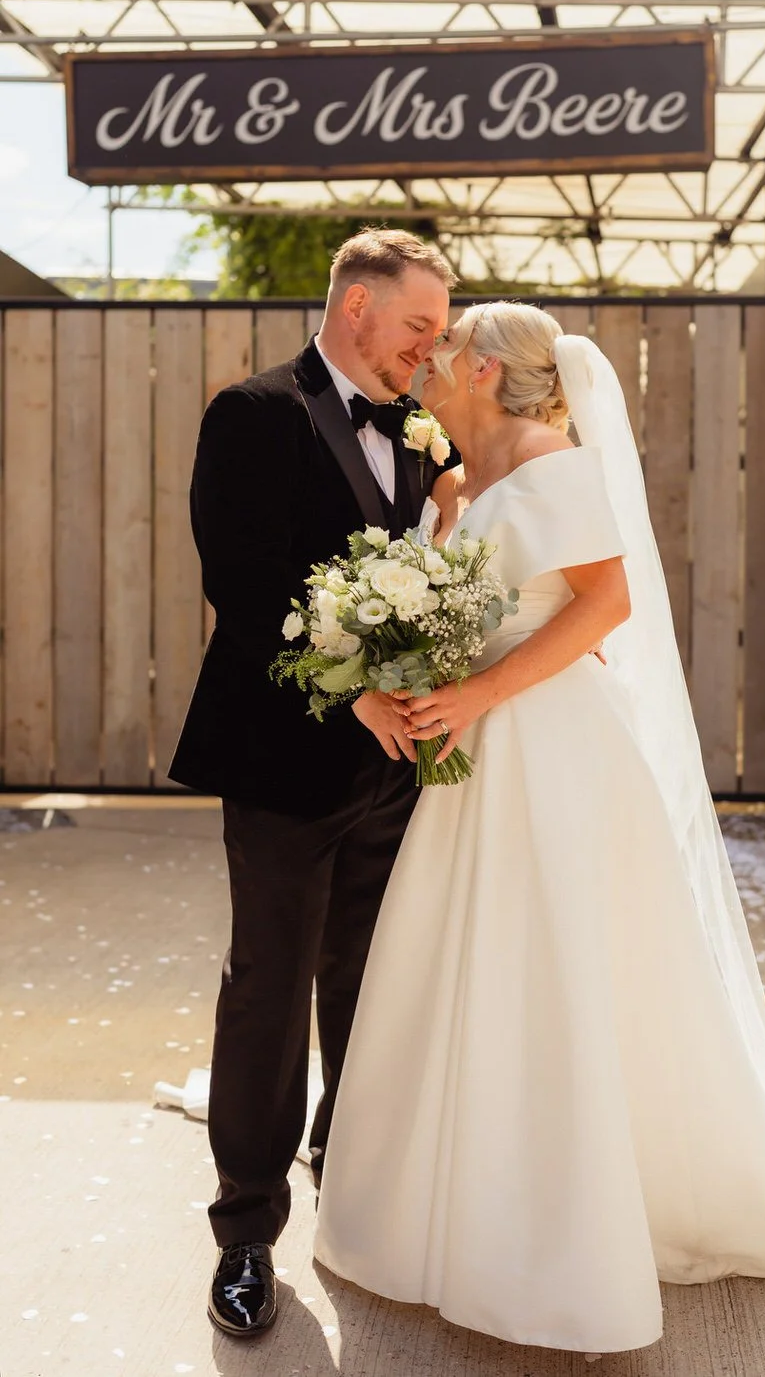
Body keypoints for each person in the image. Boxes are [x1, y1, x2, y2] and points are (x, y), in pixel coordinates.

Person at [312, 302, 765, 1355]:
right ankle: (456, 1196)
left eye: (444, 348)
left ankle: (561, 1226)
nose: (426, 363)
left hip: (552, 745)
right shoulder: (464, 479)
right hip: (482, 748)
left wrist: (471, 697)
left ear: (480, 368)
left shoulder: (554, 461)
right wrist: (419, 677)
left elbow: (603, 608)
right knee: (474, 961)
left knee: (558, 960)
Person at [168, 228, 455, 1337]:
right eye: (417, 328)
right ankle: (246, 1233)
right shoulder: (252, 413)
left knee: (373, 989)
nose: (427, 351)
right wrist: (356, 697)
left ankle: (356, 1185)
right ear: (355, 311)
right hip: (283, 764)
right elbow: (243, 590)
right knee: (270, 989)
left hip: (399, 775)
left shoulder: (422, 430)